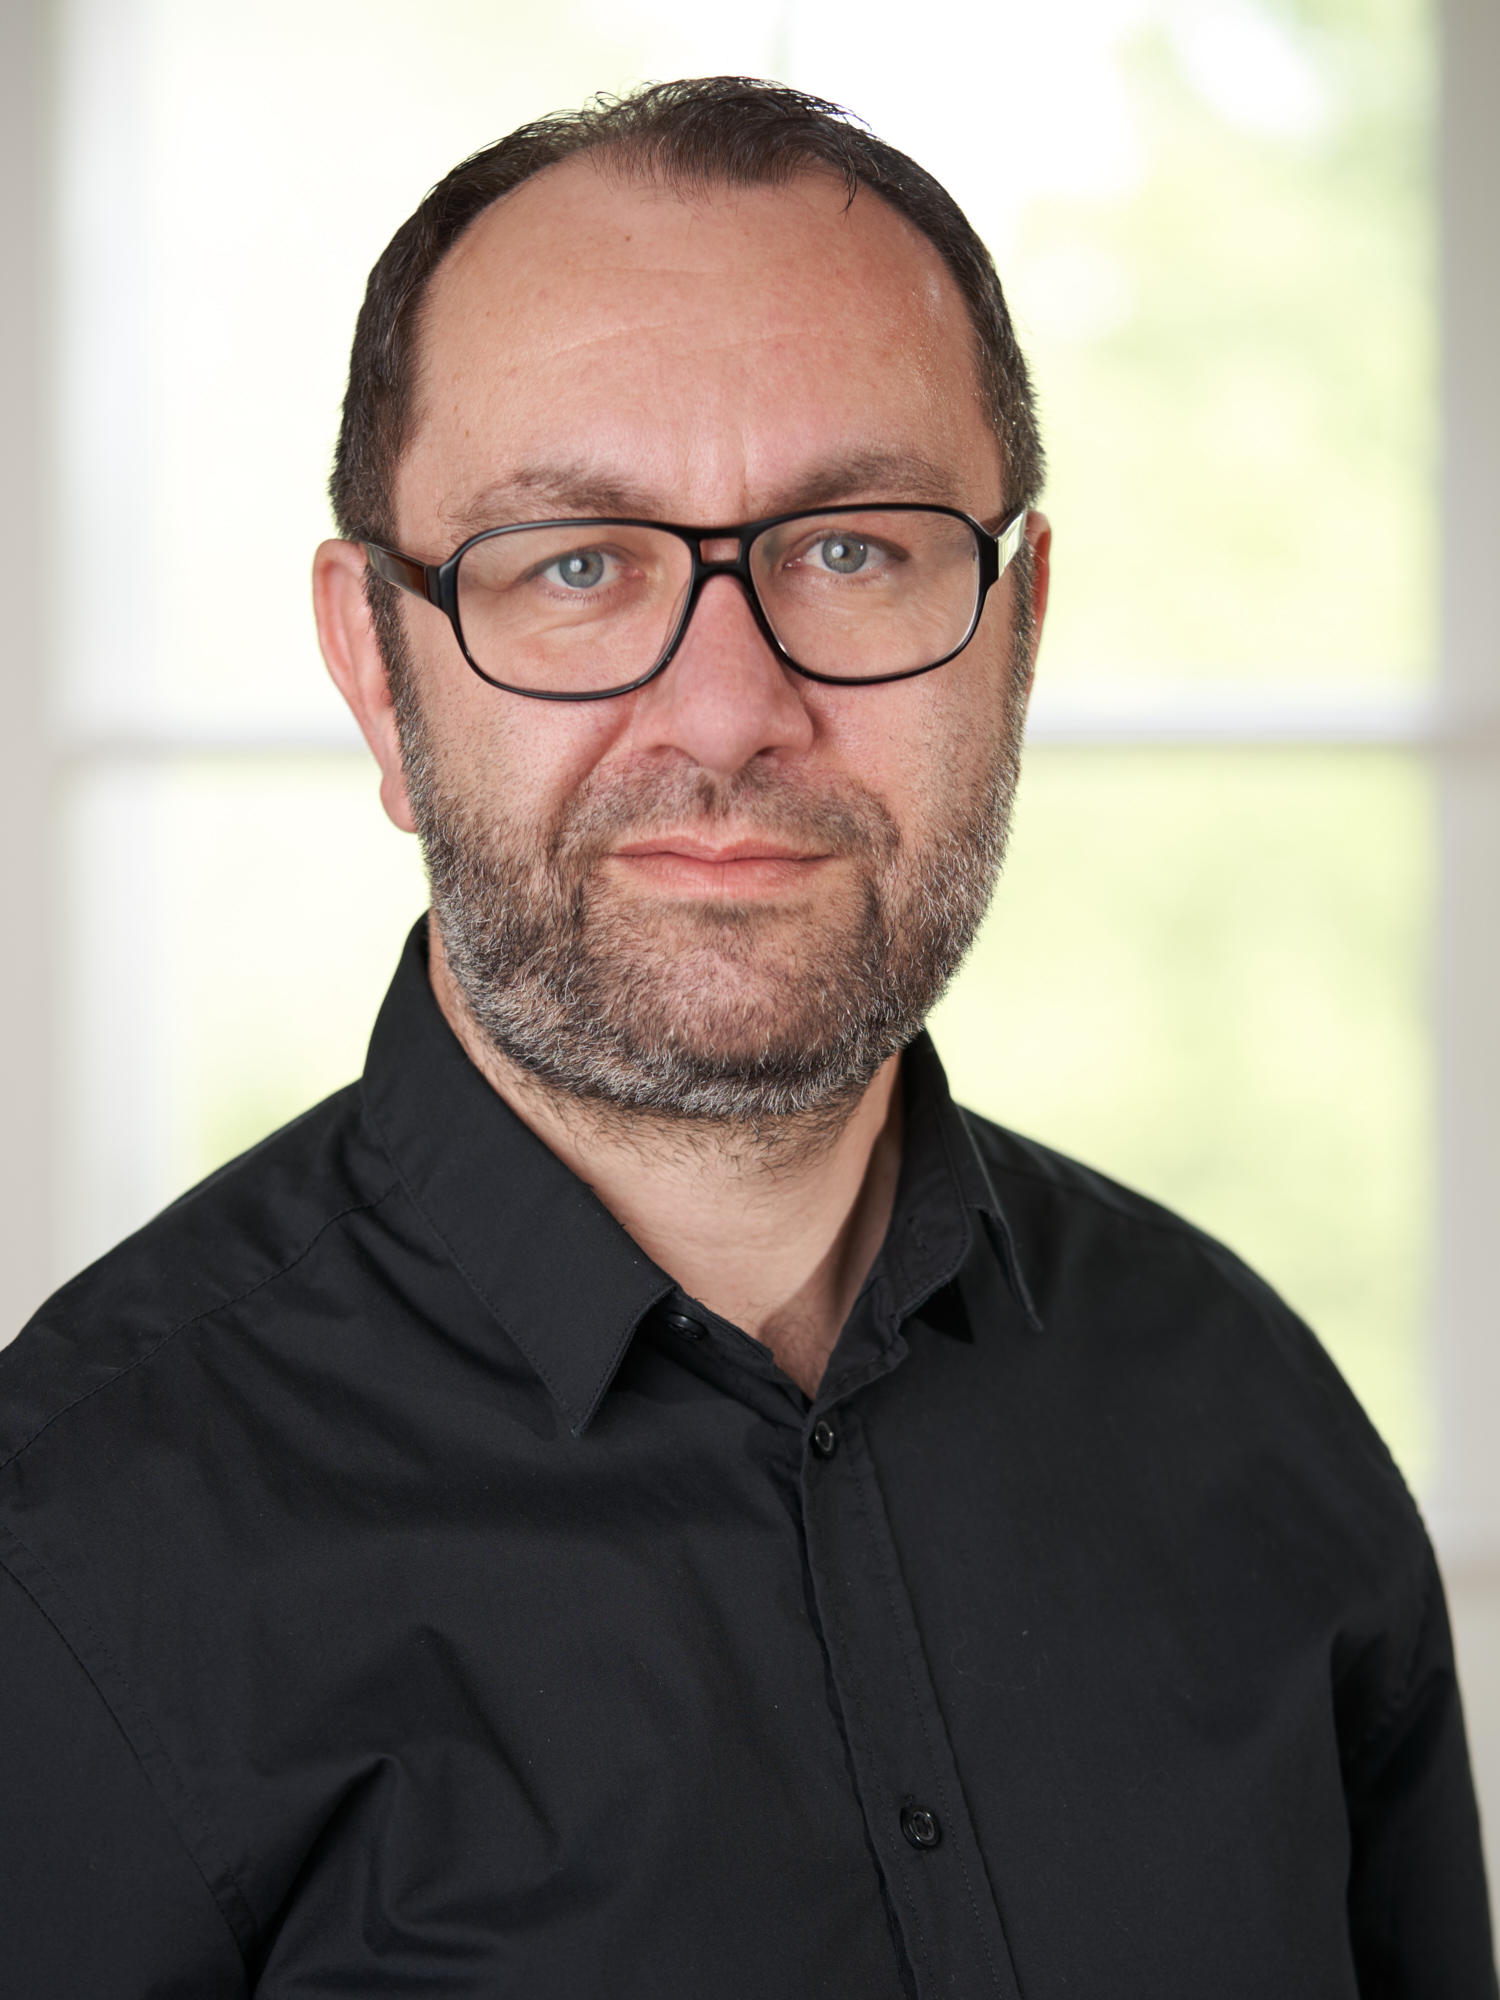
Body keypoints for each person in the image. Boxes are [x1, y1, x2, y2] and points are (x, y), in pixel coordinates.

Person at [0, 75, 1492, 1999]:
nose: (727, 710)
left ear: (1019, 627)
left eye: (851, 550)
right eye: (574, 562)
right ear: (376, 667)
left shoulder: (1252, 1422)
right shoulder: (71, 1556)